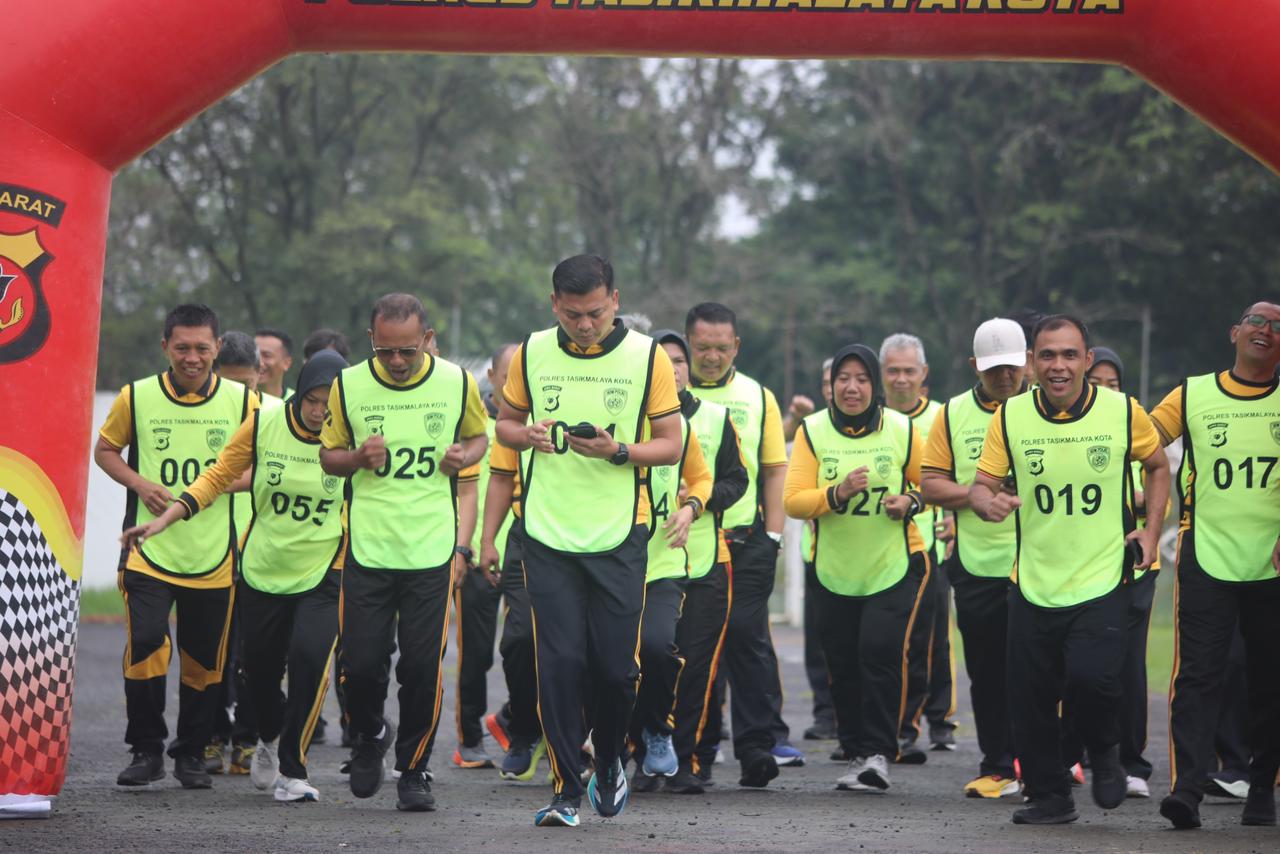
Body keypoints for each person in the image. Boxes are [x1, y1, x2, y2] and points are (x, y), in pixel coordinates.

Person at [496, 255, 682, 827]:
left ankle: (607, 761)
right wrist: (524, 434)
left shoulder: (647, 356)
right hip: (546, 534)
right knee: (559, 665)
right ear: (554, 304)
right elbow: (503, 424)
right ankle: (563, 791)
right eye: (573, 314)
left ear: (616, 301)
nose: (584, 324)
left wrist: (618, 451)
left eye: (595, 313)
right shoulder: (530, 352)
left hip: (620, 536)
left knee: (614, 671)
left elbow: (671, 443)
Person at [120, 350, 350, 802]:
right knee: (258, 675)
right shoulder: (264, 423)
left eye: (331, 403)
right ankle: (266, 735)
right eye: (314, 400)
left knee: (309, 658)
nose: (321, 411)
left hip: (324, 568)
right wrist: (164, 519)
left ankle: (293, 768)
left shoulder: (353, 439)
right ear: (301, 393)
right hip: (264, 570)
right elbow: (216, 477)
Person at [969, 314, 1169, 825]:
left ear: (1086, 360)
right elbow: (981, 483)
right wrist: (983, 501)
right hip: (1033, 581)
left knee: (1092, 680)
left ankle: (1104, 751)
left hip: (1101, 578)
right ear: (1032, 363)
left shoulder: (1123, 412)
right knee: (1030, 700)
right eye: (1048, 356)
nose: (1059, 366)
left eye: (1070, 355)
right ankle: (1051, 797)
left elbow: (1157, 465)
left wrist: (1150, 532)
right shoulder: (1010, 417)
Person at [319, 293, 488, 812]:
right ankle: (370, 734)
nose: (396, 361)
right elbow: (328, 458)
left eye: (408, 352)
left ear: (428, 341)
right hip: (368, 549)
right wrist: (355, 458)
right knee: (362, 664)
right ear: (372, 340)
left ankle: (415, 769)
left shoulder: (456, 382)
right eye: (386, 350)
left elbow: (480, 439)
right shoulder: (348, 385)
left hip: (430, 553)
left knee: (421, 667)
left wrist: (464, 454)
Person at [94, 304, 257, 790]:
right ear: (165, 346)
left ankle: (190, 751)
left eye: (201, 348)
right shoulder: (136, 397)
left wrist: (209, 488)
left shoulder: (243, 402)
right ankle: (146, 750)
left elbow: (259, 469)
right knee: (146, 644)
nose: (192, 358)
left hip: (212, 554)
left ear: (217, 349)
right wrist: (141, 484)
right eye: (182, 347)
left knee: (203, 660)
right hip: (147, 549)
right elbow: (105, 451)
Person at [1151, 303, 1280, 830]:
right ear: (1234, 332)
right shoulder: (1192, 393)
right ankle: (1187, 789)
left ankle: (1262, 789)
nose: (1266, 331)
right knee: (1198, 676)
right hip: (1205, 557)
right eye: (1256, 321)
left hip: (1272, 566)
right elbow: (1142, 441)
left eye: (1277, 327)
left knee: (1269, 681)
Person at [784, 344, 930, 793]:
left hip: (894, 565)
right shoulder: (812, 431)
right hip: (833, 569)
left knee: (880, 654)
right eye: (843, 378)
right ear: (831, 386)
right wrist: (837, 493)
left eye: (862, 379)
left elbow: (934, 484)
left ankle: (880, 752)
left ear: (876, 385)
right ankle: (855, 748)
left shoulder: (903, 430)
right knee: (843, 664)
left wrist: (911, 501)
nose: (852, 387)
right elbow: (793, 501)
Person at [685, 301, 799, 784]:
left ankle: (756, 747)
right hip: (690, 542)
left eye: (721, 347)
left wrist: (773, 534)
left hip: (747, 540)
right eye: (703, 347)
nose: (712, 356)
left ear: (737, 346)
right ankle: (700, 749)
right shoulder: (669, 392)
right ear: (689, 345)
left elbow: (773, 469)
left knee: (749, 642)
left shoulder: (758, 396)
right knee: (696, 649)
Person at [632, 330, 748, 796]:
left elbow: (737, 482)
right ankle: (640, 757)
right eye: (664, 362)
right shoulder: (631, 421)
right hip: (643, 564)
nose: (673, 369)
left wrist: (697, 500)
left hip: (704, 563)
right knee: (646, 662)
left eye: (679, 361)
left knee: (698, 668)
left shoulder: (715, 421)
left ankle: (692, 761)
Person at [919, 318, 1028, 799]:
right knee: (987, 671)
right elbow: (930, 484)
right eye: (993, 370)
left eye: (1011, 368)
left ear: (1027, 363)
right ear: (974, 367)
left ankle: (1051, 759)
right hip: (979, 564)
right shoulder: (951, 415)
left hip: (1043, 565)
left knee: (1045, 668)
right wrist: (979, 493)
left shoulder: (1047, 410)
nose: (1004, 378)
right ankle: (998, 765)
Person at [1084, 346, 1157, 799]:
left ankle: (1132, 763)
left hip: (1131, 565)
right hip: (1079, 568)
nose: (1106, 391)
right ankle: (1079, 755)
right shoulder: (1065, 431)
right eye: (1098, 383)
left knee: (1128, 665)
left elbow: (1161, 474)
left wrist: (1147, 517)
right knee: (1081, 669)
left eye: (1114, 383)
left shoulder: (1133, 423)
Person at [881, 333, 956, 757]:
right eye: (893, 370)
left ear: (923, 374)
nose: (902, 378)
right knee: (895, 641)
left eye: (909, 370)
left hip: (933, 545)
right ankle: (900, 726)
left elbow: (960, 475)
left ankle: (939, 719)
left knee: (934, 641)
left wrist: (952, 521)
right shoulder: (873, 419)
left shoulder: (943, 417)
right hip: (885, 548)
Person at [477, 344, 547, 782]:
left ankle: (583, 735)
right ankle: (523, 729)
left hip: (593, 537)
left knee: (581, 646)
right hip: (528, 536)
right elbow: (501, 479)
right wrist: (487, 540)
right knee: (519, 640)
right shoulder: (514, 420)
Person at [450, 344, 521, 771]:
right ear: (492, 375)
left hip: (527, 555)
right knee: (476, 654)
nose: (514, 385)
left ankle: (515, 723)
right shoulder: (474, 426)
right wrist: (470, 546)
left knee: (524, 649)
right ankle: (469, 737)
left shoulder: (535, 427)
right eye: (507, 376)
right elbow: (467, 492)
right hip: (479, 556)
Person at [203, 329, 265, 774]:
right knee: (211, 652)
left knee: (253, 653)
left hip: (259, 551)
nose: (239, 394)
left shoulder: (275, 416)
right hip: (210, 546)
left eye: (248, 385)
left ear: (261, 376)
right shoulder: (205, 413)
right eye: (230, 384)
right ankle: (209, 738)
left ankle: (246, 738)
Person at [800, 359, 837, 744]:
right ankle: (824, 713)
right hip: (816, 552)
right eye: (829, 381)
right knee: (818, 641)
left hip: (874, 559)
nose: (835, 387)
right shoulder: (814, 429)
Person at [255, 327, 294, 399]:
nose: (259, 362)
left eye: (267, 355)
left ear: (286, 363)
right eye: (255, 355)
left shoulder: (297, 403)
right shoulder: (239, 399)